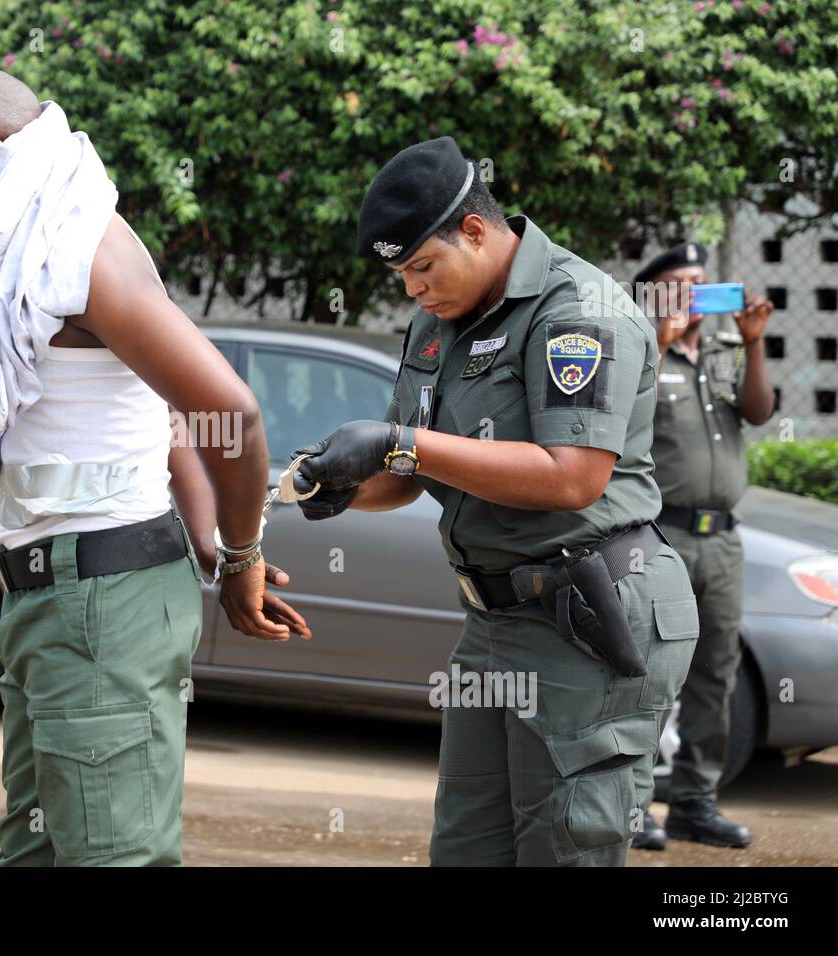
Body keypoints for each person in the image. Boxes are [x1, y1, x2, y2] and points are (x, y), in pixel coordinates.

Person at [0, 69, 308, 867]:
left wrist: (243, 554)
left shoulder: (84, 252)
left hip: (101, 600)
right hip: (52, 596)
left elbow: (233, 413)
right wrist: (207, 533)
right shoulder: (41, 254)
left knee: (113, 859)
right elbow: (159, 401)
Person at [292, 136, 699, 865]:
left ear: (476, 231)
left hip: (589, 616)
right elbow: (416, 468)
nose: (412, 289)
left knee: (563, 848)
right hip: (492, 623)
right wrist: (344, 489)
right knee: (467, 848)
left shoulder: (578, 310)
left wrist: (399, 444)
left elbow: (572, 475)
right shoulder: (438, 319)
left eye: (422, 266)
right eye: (400, 274)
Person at [629, 242, 774, 851]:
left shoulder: (723, 353)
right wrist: (659, 340)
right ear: (655, 291)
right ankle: (632, 808)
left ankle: (694, 802)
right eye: (680, 283)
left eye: (700, 282)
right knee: (650, 674)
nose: (694, 293)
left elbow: (760, 411)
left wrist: (754, 340)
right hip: (662, 535)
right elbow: (623, 417)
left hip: (722, 543)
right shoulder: (639, 347)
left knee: (716, 674)